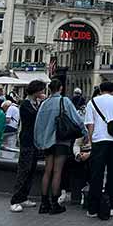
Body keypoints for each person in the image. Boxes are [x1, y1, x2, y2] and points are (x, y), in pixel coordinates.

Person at [35, 78, 85, 214]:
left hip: (47, 142)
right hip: (61, 141)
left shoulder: (44, 103)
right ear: (61, 88)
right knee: (57, 172)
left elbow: (38, 125)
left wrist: (39, 142)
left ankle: (43, 204)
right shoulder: (65, 101)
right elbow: (76, 118)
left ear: (49, 89)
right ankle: (54, 203)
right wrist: (85, 132)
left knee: (47, 171)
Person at [85, 80, 113, 218]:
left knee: (96, 174)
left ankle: (93, 208)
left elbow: (90, 124)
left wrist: (90, 141)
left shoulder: (93, 102)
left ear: (101, 90)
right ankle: (112, 205)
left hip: (99, 140)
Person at [9, 80, 45, 212]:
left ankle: (24, 197)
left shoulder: (36, 103)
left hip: (35, 141)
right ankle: (15, 199)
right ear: (35, 91)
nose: (42, 92)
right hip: (27, 141)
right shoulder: (25, 104)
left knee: (31, 170)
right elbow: (33, 118)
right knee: (24, 170)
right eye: (41, 90)